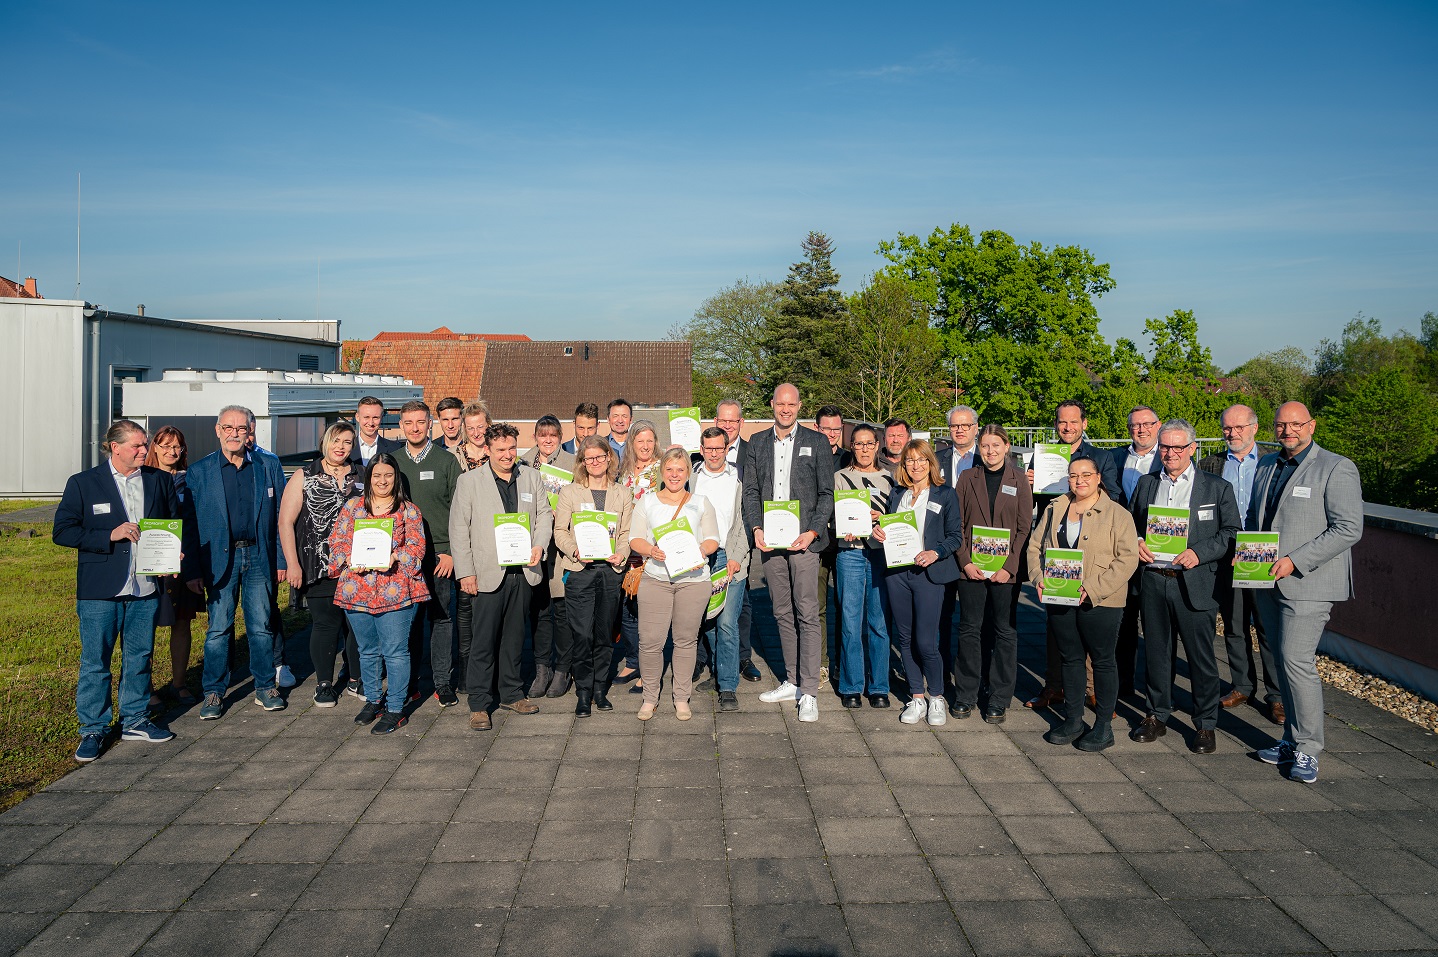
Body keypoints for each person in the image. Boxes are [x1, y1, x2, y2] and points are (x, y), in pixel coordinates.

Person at [54, 420, 182, 761]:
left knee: (139, 656)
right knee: (96, 662)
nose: (146, 450)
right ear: (116, 448)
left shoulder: (160, 480)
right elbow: (63, 531)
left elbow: (172, 522)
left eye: (145, 445)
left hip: (145, 588)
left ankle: (135, 719)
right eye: (139, 446)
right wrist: (108, 536)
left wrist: (173, 553)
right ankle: (93, 729)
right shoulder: (84, 483)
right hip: (100, 590)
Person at [1250, 402, 1363, 784]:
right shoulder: (1267, 465)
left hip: (1308, 581)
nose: (1287, 431)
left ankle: (1309, 749)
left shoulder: (1336, 466)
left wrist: (1296, 561)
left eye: (1296, 424)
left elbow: (1348, 528)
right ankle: (1290, 739)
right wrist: (1247, 555)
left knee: (1296, 661)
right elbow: (1258, 519)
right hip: (1265, 577)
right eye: (1281, 425)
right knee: (1281, 662)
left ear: (1311, 425)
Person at [1128, 419, 1241, 754]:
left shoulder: (1216, 488)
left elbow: (1231, 532)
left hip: (1196, 583)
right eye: (1165, 446)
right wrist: (1135, 540)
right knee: (1156, 653)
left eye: (1178, 446)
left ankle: (1205, 723)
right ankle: (1156, 713)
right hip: (1154, 580)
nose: (1170, 453)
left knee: (1200, 658)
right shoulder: (1147, 485)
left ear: (1193, 448)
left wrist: (1198, 552)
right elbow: (1132, 522)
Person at [1027, 454, 1140, 752]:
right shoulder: (1055, 508)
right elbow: (1035, 546)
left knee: (1102, 661)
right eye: (1074, 475)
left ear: (1099, 477)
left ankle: (1103, 725)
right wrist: (1039, 578)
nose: (1080, 480)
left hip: (1101, 601)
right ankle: (1073, 719)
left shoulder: (1118, 514)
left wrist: (1092, 588)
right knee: (1071, 659)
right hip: (1060, 597)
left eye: (1086, 474)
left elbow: (1127, 559)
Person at [186, 405, 289, 719]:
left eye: (240, 428)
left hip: (259, 555)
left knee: (261, 626)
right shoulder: (200, 471)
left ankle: (264, 687)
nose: (234, 434)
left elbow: (282, 517)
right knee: (219, 628)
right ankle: (214, 692)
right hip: (219, 559)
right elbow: (189, 526)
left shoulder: (267, 465)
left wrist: (282, 558)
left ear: (249, 432)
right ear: (217, 430)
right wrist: (191, 569)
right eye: (227, 428)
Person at [450, 423, 553, 731]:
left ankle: (511, 692)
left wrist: (539, 544)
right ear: (487, 450)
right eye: (500, 450)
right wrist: (465, 571)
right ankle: (480, 703)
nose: (508, 455)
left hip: (523, 571)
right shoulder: (469, 482)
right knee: (482, 642)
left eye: (512, 449)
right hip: (485, 574)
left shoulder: (531, 477)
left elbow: (545, 515)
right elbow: (458, 529)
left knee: (513, 637)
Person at [744, 384, 835, 722]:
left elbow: (826, 493)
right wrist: (756, 529)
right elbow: (751, 491)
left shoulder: (817, 441)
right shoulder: (757, 443)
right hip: (771, 541)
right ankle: (793, 680)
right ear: (772, 405)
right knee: (782, 611)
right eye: (780, 404)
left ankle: (809, 690)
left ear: (799, 405)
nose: (785, 409)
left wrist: (812, 531)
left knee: (807, 612)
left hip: (804, 541)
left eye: (791, 404)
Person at [1025, 399, 1120, 710]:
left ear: (1085, 424)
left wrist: (1083, 490)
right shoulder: (1043, 456)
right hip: (1057, 544)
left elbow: (1115, 498)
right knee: (1057, 624)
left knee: (1088, 621)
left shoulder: (1101, 458)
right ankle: (1054, 687)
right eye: (1062, 422)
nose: (1067, 427)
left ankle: (1091, 691)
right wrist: (1031, 484)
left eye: (1073, 422)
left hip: (1091, 546)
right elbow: (1032, 502)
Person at [328, 453, 429, 734]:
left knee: (395, 652)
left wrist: (395, 556)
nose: (382, 481)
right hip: (356, 591)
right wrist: (349, 558)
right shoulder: (352, 508)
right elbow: (336, 541)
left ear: (395, 478)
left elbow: (417, 549)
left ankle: (395, 708)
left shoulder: (409, 511)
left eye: (388, 475)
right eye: (377, 475)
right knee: (368, 650)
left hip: (396, 592)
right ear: (368, 478)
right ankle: (373, 700)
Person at [1199, 403, 1283, 723]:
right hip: (1226, 551)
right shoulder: (1209, 464)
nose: (1232, 434)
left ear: (1254, 429)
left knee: (1266, 626)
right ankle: (1242, 685)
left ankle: (1275, 695)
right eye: (1226, 428)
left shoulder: (1273, 463)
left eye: (1239, 428)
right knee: (1234, 624)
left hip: (1261, 551)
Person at [873, 439, 963, 727]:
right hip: (898, 573)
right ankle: (917, 696)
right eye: (910, 460)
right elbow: (890, 526)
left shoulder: (945, 494)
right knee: (905, 639)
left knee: (926, 641)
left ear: (930, 463)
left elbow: (955, 536)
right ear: (904, 465)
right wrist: (880, 531)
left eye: (921, 460)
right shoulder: (897, 493)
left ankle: (936, 695)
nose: (915, 465)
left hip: (929, 574)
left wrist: (935, 552)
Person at [628, 447, 722, 720]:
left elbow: (713, 539)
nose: (674, 474)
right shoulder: (647, 502)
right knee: (650, 642)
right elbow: (635, 539)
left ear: (688, 473)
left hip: (692, 580)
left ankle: (681, 697)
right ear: (662, 472)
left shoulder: (700, 502)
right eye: (669, 469)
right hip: (656, 578)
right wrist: (650, 550)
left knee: (684, 641)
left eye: (680, 469)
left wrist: (698, 550)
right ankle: (650, 698)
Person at [953, 425, 1033, 723]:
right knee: (969, 630)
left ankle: (999, 696)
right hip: (971, 569)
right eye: (985, 446)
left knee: (1004, 632)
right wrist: (965, 562)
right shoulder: (967, 477)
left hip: (1005, 573)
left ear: (1007, 446)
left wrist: (1009, 566)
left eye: (996, 445)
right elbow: (956, 524)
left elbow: (1025, 528)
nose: (990, 451)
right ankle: (966, 694)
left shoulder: (1019, 479)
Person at [278, 422, 362, 707]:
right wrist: (292, 563)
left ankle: (354, 677)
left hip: (357, 564)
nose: (341, 447)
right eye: (336, 441)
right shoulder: (304, 475)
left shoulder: (362, 474)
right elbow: (286, 522)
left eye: (347, 442)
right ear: (325, 442)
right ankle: (324, 684)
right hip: (317, 562)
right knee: (325, 624)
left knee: (357, 625)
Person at [553, 436, 634, 716]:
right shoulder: (570, 493)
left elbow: (625, 533)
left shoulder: (622, 494)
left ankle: (601, 687)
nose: (595, 462)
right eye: (589, 458)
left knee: (603, 634)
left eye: (600, 456)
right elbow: (559, 531)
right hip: (580, 571)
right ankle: (583, 691)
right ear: (582, 462)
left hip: (610, 572)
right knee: (581, 634)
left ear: (609, 458)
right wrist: (575, 551)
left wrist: (621, 554)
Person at [392, 401, 463, 707]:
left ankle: (443, 682)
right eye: (409, 423)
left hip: (439, 557)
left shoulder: (447, 461)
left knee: (441, 619)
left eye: (421, 422)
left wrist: (450, 552)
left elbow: (460, 512)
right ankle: (408, 683)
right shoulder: (391, 463)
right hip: (402, 559)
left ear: (429, 423)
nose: (415, 428)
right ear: (401, 426)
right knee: (407, 622)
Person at [832, 423, 895, 709]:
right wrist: (840, 526)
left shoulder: (892, 478)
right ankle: (851, 686)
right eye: (859, 444)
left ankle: (879, 686)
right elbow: (831, 517)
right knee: (850, 622)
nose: (865, 449)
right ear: (852, 447)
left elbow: (901, 518)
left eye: (870, 443)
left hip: (881, 555)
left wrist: (882, 520)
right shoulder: (839, 478)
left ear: (878, 445)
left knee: (879, 623)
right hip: (851, 553)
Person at [691, 426, 751, 712]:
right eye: (708, 448)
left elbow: (744, 519)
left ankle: (728, 686)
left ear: (728, 448)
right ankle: (718, 670)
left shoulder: (738, 478)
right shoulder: (692, 477)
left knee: (727, 620)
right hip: (700, 556)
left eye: (719, 448)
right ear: (701, 449)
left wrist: (737, 556)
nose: (714, 453)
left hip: (731, 555)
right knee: (709, 619)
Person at [144, 426, 202, 706]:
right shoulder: (143, 478)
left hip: (185, 561)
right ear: (154, 447)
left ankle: (179, 684)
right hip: (152, 561)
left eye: (177, 446)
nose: (171, 452)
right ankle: (147, 687)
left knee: (182, 623)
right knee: (147, 625)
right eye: (165, 446)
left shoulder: (191, 479)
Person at [1109, 406, 1165, 698]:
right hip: (1120, 548)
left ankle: (1159, 689)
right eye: (1135, 425)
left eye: (1147, 424)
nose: (1141, 429)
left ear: (1158, 426)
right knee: (1124, 621)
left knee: (1158, 626)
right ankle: (1123, 684)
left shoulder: (1169, 456)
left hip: (1158, 553)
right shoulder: (1115, 457)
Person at [523, 414, 577, 698]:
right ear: (535, 437)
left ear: (559, 437)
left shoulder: (570, 464)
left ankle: (562, 669)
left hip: (559, 549)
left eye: (553, 436)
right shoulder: (523, 463)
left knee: (561, 611)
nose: (547, 440)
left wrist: (562, 514)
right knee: (539, 611)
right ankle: (541, 668)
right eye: (542, 435)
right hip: (532, 546)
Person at [714, 399, 763, 683]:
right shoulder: (701, 454)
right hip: (711, 540)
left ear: (741, 423)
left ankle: (742, 656)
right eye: (723, 421)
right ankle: (706, 658)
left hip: (742, 535)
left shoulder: (751, 452)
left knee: (741, 599)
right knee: (707, 598)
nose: (728, 426)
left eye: (733, 421)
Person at [615, 419, 662, 691]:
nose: (645, 446)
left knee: (648, 612)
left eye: (649, 440)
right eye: (639, 441)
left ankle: (648, 669)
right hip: (626, 550)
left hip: (650, 550)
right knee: (628, 610)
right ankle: (632, 661)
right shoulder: (624, 472)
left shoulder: (662, 470)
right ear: (631, 443)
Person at [348, 396, 401, 469]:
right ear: (357, 417)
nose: (371, 423)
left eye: (375, 417)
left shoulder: (395, 449)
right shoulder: (347, 449)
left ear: (381, 418)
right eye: (366, 417)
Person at [936, 405, 980, 489]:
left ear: (976, 428)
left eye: (966, 425)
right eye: (954, 426)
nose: (959, 430)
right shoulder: (935, 459)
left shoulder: (985, 460)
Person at [452, 400, 491, 473]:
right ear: (465, 428)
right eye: (471, 428)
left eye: (480, 427)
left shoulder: (496, 453)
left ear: (488, 425)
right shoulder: (454, 455)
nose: (476, 433)